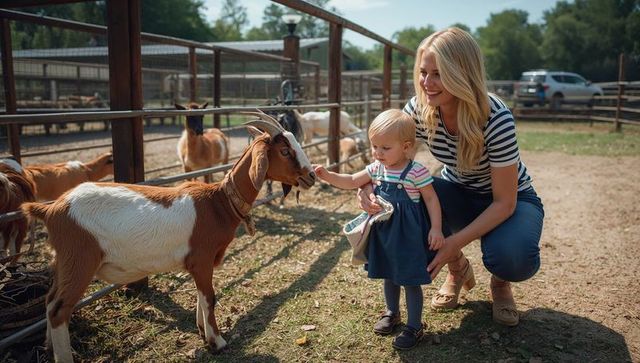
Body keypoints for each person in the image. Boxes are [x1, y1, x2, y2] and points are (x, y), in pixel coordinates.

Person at [358, 27, 544, 327]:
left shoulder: (496, 117)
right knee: (404, 201)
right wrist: (368, 185)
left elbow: (504, 202)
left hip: (509, 200)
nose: (427, 83)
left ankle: (501, 282)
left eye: (438, 74)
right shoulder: (419, 109)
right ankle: (458, 270)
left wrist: (453, 241)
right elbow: (389, 155)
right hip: (455, 191)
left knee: (513, 257)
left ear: (462, 73)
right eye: (423, 72)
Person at [314, 108, 444, 350]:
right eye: (375, 146)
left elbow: (431, 200)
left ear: (406, 147)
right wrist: (328, 175)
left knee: (409, 279)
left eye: (385, 148)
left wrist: (436, 228)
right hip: (384, 233)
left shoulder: (416, 172)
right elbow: (353, 180)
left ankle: (415, 326)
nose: (378, 153)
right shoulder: (376, 168)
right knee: (388, 273)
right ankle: (392, 312)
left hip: (407, 236)